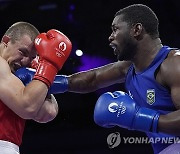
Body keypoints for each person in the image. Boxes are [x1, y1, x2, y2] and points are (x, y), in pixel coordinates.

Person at [15, 4, 180, 154]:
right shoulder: (129, 67)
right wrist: (46, 81)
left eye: (115, 29)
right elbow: (92, 79)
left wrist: (138, 118)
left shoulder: (173, 64)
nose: (110, 37)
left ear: (136, 30)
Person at [0, 21, 72, 154]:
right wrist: (49, 66)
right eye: (22, 52)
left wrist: (41, 71)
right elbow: (27, 107)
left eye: (32, 57)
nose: (25, 61)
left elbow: (48, 112)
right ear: (6, 41)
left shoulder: (15, 79)